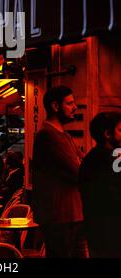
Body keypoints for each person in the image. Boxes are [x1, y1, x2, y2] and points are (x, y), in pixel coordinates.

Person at [32, 85, 85, 257]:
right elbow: (79, 171)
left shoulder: (65, 136)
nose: (75, 107)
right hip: (60, 215)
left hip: (72, 213)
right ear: (55, 106)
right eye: (70, 103)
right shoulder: (48, 136)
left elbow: (84, 163)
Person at [79, 111, 121, 258]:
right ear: (107, 134)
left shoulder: (93, 157)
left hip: (97, 229)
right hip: (109, 231)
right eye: (120, 130)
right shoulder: (108, 159)